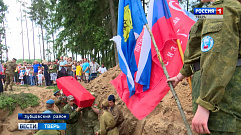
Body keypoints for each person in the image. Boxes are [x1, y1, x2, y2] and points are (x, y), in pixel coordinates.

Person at [167, 0, 241, 134]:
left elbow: (218, 58)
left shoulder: (225, 8)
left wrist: (205, 104)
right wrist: (181, 75)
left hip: (222, 104)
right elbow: (199, 49)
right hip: (216, 99)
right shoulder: (212, 10)